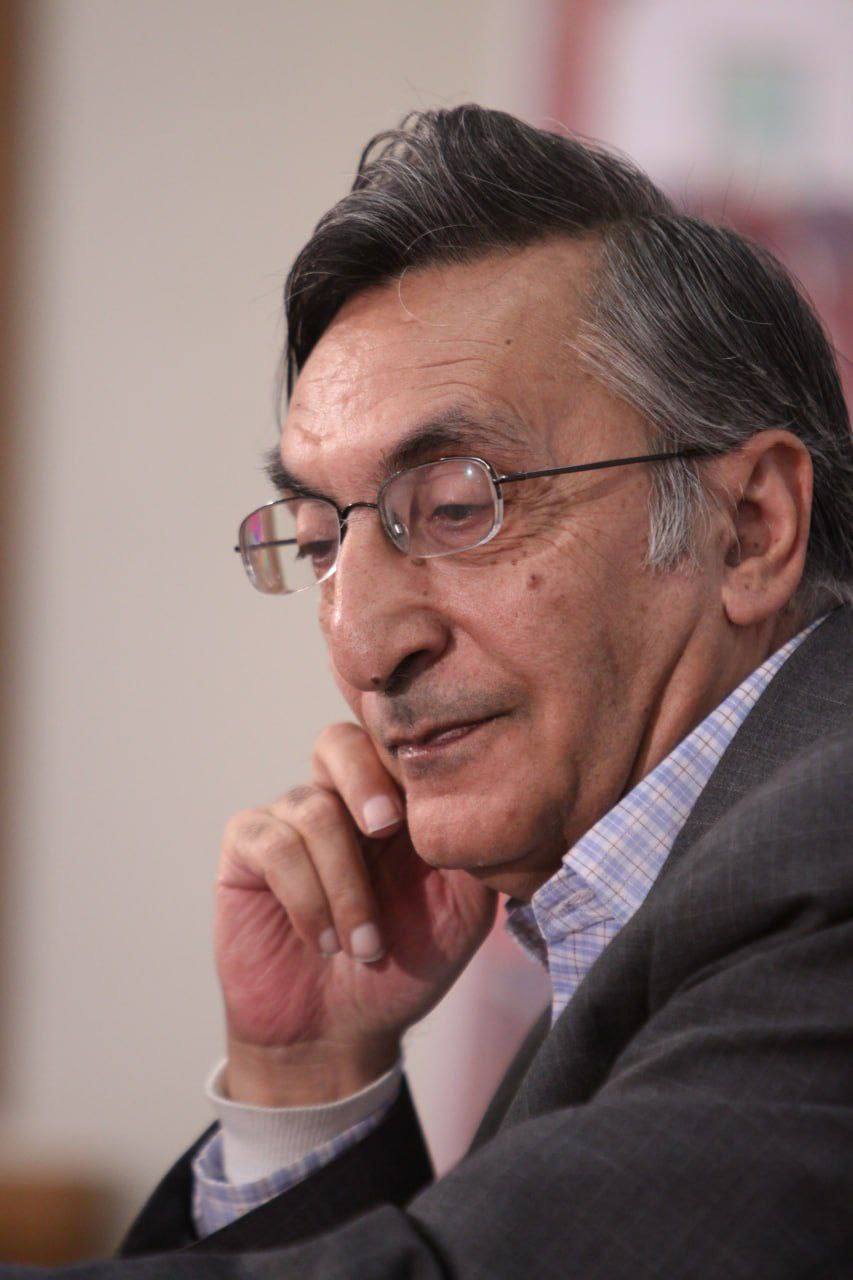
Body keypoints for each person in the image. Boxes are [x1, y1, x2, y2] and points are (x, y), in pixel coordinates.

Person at [10, 105, 853, 1278]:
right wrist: (306, 1076)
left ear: (750, 525)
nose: (361, 640)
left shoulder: (823, 862)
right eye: (320, 540)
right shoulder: (654, 910)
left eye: (457, 505)